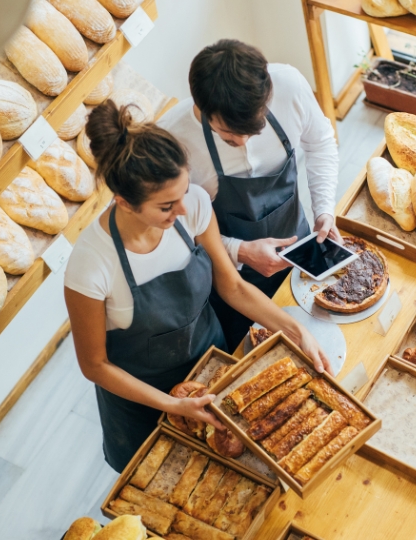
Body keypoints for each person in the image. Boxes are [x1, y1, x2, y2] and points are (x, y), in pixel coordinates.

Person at [64, 100, 330, 472]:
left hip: (212, 370)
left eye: (184, 192)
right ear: (123, 202)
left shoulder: (194, 205)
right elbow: (95, 365)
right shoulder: (91, 265)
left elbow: (233, 288)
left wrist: (296, 331)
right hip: (144, 404)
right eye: (166, 206)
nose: (184, 211)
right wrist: (172, 405)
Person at [158, 39, 340, 349]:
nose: (242, 141)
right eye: (229, 134)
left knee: (318, 336)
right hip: (231, 280)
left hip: (299, 251)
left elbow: (320, 142)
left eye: (252, 131)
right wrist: (239, 251)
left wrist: (324, 209)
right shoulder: (172, 141)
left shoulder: (288, 86)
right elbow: (175, 232)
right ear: (201, 108)